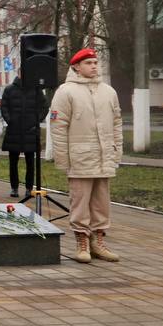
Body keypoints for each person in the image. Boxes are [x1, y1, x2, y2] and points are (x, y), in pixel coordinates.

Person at [49, 47, 123, 264]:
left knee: (102, 203)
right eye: (88, 63)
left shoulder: (108, 91)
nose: (93, 66)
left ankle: (98, 242)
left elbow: (117, 122)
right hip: (80, 157)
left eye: (95, 63)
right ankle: (82, 242)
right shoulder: (66, 91)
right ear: (76, 67)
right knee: (80, 203)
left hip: (103, 156)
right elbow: (58, 127)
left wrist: (116, 149)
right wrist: (62, 159)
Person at [0, 76, 46, 198]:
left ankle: (29, 188)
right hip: (14, 130)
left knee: (30, 162)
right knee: (13, 161)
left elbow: (44, 107)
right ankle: (14, 188)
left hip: (30, 130)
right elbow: (4, 107)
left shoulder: (36, 90)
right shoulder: (9, 89)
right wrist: (10, 120)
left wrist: (36, 121)